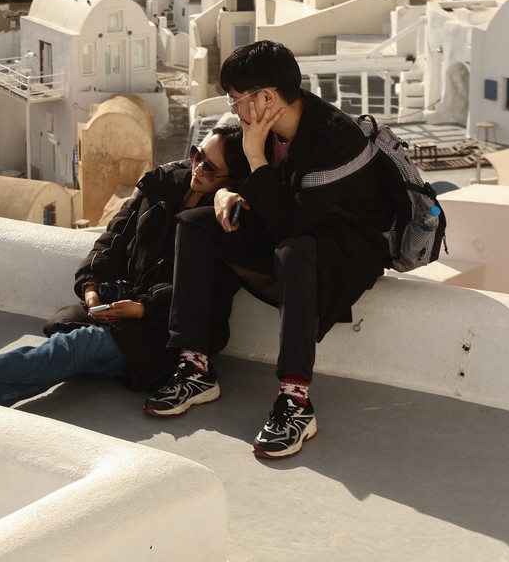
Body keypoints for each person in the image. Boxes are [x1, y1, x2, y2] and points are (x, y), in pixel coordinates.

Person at [142, 39, 400, 459]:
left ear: (265, 98)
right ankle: (196, 366)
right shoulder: (262, 131)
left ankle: (295, 400)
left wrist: (255, 160)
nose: (233, 109)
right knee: (195, 225)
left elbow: (290, 224)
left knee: (294, 250)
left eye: (235, 98)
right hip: (296, 234)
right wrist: (229, 192)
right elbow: (271, 203)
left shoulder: (337, 139)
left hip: (345, 254)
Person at [0, 127, 244, 407]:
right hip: (126, 307)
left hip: (167, 334)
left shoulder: (224, 225)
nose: (198, 166)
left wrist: (143, 309)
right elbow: (113, 238)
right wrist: (92, 287)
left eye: (211, 166)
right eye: (197, 154)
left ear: (230, 179)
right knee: (70, 332)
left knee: (80, 345)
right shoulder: (162, 185)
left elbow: (204, 293)